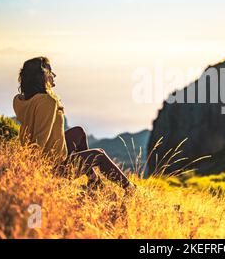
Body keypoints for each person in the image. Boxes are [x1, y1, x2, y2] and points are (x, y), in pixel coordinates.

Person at [13, 56, 135, 191]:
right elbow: (39, 141)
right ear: (42, 75)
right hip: (52, 169)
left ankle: (94, 181)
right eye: (50, 72)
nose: (54, 75)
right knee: (98, 154)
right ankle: (130, 189)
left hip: (51, 155)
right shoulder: (47, 102)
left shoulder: (21, 100)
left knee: (78, 132)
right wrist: (35, 176)